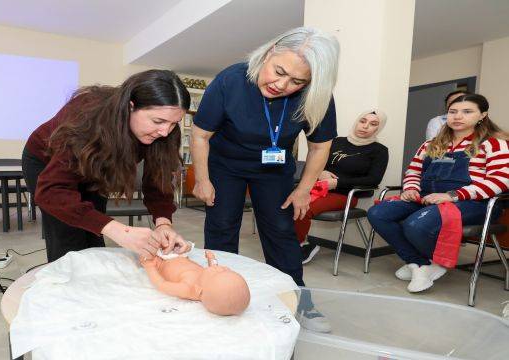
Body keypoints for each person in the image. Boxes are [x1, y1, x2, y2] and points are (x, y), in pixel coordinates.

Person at [190, 27, 339, 332]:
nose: (282, 85)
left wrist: (303, 190)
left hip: (274, 168)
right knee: (221, 226)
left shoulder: (317, 94)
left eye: (297, 82)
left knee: (281, 230)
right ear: (270, 52)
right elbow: (201, 134)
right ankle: (221, 293)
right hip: (226, 164)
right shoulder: (231, 79)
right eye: (279, 71)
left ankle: (299, 301)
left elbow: (320, 145)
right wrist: (202, 179)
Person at [22, 70, 192, 263]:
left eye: (173, 124)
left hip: (95, 167)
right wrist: (118, 230)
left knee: (94, 229)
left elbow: (158, 178)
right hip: (47, 162)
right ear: (130, 107)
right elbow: (52, 190)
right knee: (67, 234)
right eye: (158, 121)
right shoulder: (87, 114)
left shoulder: (164, 132)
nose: (164, 132)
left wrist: (163, 223)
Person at [368, 93, 509, 293]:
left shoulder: (494, 143)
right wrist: (410, 189)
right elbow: (413, 171)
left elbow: (500, 181)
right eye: (453, 112)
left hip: (474, 203)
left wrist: (452, 195)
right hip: (428, 198)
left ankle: (433, 264)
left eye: (467, 112)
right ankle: (420, 264)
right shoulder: (431, 144)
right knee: (378, 213)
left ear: (482, 115)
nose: (458, 116)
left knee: (416, 224)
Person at [295, 110, 389, 264]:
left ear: (378, 128)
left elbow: (373, 179)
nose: (365, 126)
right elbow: (317, 162)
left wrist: (338, 183)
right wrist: (321, 172)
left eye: (373, 124)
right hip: (319, 188)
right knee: (289, 202)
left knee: (304, 207)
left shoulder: (379, 151)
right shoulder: (337, 142)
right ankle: (302, 244)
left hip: (345, 195)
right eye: (362, 121)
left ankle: (297, 247)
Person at [140, 250, 251, 316]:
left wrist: (150, 266)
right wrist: (211, 258)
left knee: (146, 246)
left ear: (199, 290)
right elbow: (213, 266)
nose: (220, 268)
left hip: (160, 262)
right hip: (179, 255)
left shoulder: (188, 288)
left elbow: (161, 284)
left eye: (217, 273)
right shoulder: (208, 280)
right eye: (227, 270)